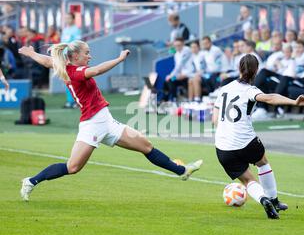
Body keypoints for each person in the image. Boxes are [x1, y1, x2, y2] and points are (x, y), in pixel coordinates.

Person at [18, 41, 203, 201]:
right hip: (92, 124)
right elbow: (97, 70)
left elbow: (47, 61)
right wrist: (120, 59)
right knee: (72, 167)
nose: (90, 56)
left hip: (106, 120)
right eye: (87, 53)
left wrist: (32, 53)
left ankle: (182, 171)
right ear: (75, 56)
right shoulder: (76, 72)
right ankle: (30, 181)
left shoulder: (65, 66)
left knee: (146, 146)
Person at [212, 54, 304, 219]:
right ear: (256, 71)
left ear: (238, 68)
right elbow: (271, 98)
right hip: (245, 140)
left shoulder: (224, 89)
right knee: (262, 162)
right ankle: (274, 200)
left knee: (248, 181)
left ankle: (263, 199)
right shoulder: (251, 90)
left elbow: (215, 120)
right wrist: (294, 102)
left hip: (223, 147)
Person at [61, 13, 82, 108]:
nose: (67, 20)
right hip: (64, 57)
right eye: (66, 18)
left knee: (74, 79)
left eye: (69, 18)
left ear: (73, 19)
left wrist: (73, 57)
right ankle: (69, 101)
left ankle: (76, 101)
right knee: (67, 79)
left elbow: (77, 44)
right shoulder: (65, 30)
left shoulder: (76, 30)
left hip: (72, 58)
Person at [164, 38, 193, 102]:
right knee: (170, 80)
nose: (177, 47)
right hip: (181, 75)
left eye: (179, 45)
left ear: (183, 44)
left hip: (189, 74)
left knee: (171, 78)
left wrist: (171, 75)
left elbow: (179, 65)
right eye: (175, 45)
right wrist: (172, 76)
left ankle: (186, 97)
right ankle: (173, 99)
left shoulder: (187, 50)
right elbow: (178, 68)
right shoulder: (176, 54)